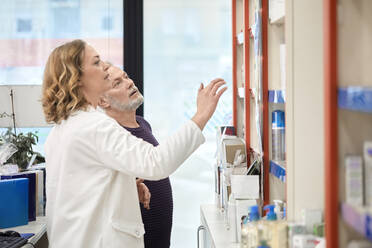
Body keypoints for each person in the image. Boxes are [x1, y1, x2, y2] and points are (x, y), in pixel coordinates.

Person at [42, 39, 227, 248]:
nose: (104, 67)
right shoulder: (93, 126)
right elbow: (156, 162)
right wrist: (201, 115)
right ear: (77, 78)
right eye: (95, 62)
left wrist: (126, 189)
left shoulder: (64, 128)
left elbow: (82, 191)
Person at [102, 64, 172, 247]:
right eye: (118, 83)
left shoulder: (143, 124)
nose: (129, 83)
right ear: (103, 102)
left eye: (126, 76)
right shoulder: (110, 136)